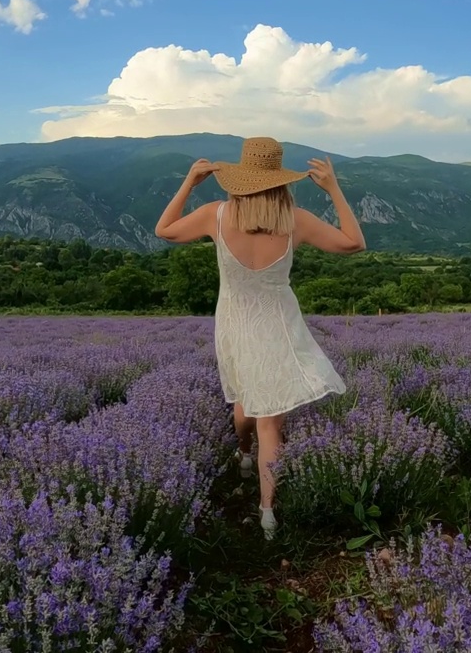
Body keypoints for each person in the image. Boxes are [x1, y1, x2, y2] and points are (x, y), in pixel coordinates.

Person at [154, 136, 367, 539]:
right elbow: (354, 243)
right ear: (281, 180)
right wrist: (334, 188)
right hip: (279, 327)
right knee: (271, 422)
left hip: (234, 323)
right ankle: (268, 514)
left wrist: (189, 182)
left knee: (242, 400)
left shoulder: (214, 215)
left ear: (238, 177)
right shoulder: (295, 220)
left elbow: (163, 230)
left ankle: (243, 454)